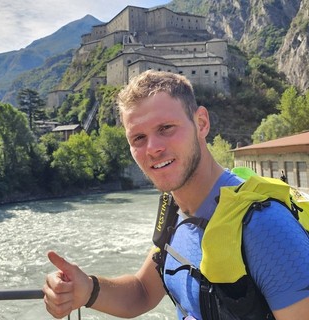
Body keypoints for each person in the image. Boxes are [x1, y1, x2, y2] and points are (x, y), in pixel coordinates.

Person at [43, 70, 309, 319]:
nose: (153, 148)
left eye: (166, 128)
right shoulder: (175, 212)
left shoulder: (264, 226)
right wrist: (88, 290)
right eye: (138, 138)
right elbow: (142, 292)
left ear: (201, 123)